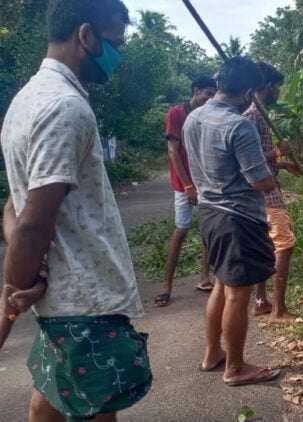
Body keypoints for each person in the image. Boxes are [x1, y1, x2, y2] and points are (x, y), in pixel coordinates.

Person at [0, 1, 152, 420]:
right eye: (114, 43)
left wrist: (28, 276)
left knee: (52, 394)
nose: (116, 56)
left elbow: (12, 207)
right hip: (87, 303)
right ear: (85, 35)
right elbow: (31, 225)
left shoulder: (24, 102)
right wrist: (14, 290)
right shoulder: (64, 107)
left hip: (66, 304)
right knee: (98, 408)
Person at [183, 57, 281, 385]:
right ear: (249, 91)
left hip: (210, 213)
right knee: (238, 294)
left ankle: (213, 353)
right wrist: (274, 172)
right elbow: (259, 181)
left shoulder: (193, 118)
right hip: (238, 219)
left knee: (223, 286)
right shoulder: (240, 126)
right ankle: (236, 367)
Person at [243, 62, 301, 323]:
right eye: (278, 86)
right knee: (284, 245)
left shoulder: (260, 113)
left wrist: (283, 164)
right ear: (269, 86)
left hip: (267, 187)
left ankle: (261, 302)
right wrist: (279, 151)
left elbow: (263, 158)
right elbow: (250, 159)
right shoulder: (253, 116)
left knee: (266, 245)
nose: (280, 92)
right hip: (266, 192)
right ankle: (278, 309)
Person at [154, 75, 217, 307]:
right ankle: (166, 287)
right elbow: (173, 152)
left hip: (206, 181)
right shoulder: (177, 113)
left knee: (208, 230)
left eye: (213, 95)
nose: (209, 99)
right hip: (184, 184)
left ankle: (204, 278)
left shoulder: (208, 117)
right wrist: (188, 185)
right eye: (206, 94)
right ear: (196, 90)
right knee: (181, 231)